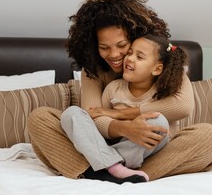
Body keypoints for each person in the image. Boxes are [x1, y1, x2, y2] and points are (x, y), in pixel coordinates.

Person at [27, 0, 212, 184]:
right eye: (104, 47)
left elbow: (182, 107)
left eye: (122, 45)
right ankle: (119, 171)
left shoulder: (164, 62)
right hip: (106, 144)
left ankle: (102, 171)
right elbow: (93, 117)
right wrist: (127, 128)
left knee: (209, 136)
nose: (115, 55)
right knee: (40, 118)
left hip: (154, 149)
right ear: (93, 47)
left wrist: (123, 115)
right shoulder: (95, 72)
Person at [61, 34, 185, 182]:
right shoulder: (113, 89)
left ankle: (103, 165)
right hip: (112, 143)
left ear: (157, 69)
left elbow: (181, 110)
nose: (130, 58)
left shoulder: (163, 91)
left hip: (146, 151)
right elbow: (96, 123)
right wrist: (124, 127)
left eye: (139, 57)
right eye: (130, 52)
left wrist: (118, 114)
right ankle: (115, 168)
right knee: (71, 113)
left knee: (158, 121)